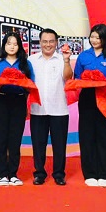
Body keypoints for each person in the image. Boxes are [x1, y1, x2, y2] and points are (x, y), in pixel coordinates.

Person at [74, 24, 106, 187]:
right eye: (92, 37)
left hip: (105, 96)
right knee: (87, 135)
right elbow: (77, 77)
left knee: (105, 135)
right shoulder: (83, 56)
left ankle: (105, 174)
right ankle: (90, 173)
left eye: (98, 37)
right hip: (87, 97)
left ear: (105, 38)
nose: (94, 40)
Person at [0, 31, 35, 186]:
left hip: (19, 102)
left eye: (15, 44)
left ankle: (13, 174)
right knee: (1, 139)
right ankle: (2, 175)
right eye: (9, 44)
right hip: (1, 101)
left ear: (20, 46)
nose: (12, 47)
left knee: (15, 139)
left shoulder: (25, 64)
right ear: (4, 45)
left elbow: (31, 84)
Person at [29, 28, 73, 186]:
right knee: (38, 144)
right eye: (45, 41)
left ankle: (59, 174)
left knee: (59, 145)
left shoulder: (62, 59)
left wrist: (67, 61)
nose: (48, 44)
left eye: (51, 41)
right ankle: (39, 173)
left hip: (59, 109)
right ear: (40, 42)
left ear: (56, 43)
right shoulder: (31, 60)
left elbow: (68, 77)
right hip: (38, 109)